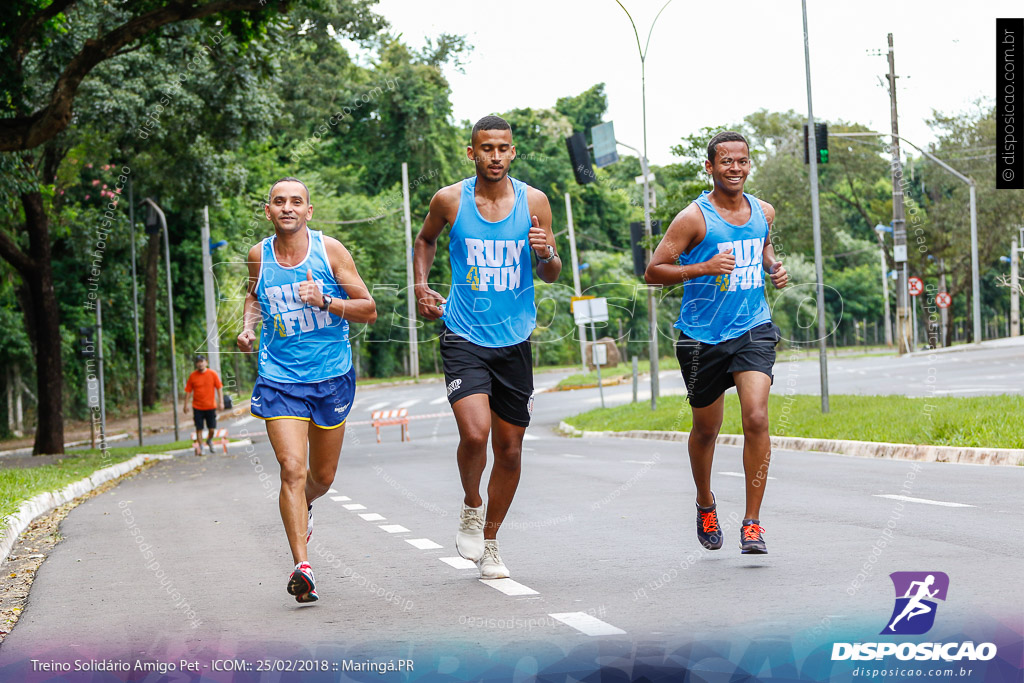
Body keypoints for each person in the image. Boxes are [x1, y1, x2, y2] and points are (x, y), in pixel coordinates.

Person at [414, 115, 561, 579]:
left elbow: (552, 272)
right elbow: (425, 240)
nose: (494, 156)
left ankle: (491, 542)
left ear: (513, 152)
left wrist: (545, 253)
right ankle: (471, 506)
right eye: (486, 148)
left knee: (511, 450)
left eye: (503, 148)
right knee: (476, 434)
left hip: (515, 340)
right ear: (472, 152)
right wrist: (421, 286)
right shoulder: (450, 200)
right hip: (463, 334)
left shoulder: (534, 202)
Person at [645, 131, 788, 554]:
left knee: (757, 418)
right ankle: (705, 502)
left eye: (742, 161)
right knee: (706, 429)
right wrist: (704, 267)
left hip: (753, 328)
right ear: (710, 167)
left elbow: (763, 246)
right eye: (726, 161)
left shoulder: (763, 211)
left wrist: (772, 267)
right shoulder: (693, 218)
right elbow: (654, 271)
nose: (735, 168)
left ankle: (752, 523)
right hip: (700, 338)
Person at [237, 177, 377, 602]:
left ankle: (306, 505)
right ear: (268, 211)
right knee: (291, 470)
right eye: (279, 202)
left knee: (321, 477)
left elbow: (369, 310)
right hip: (279, 378)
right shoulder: (258, 255)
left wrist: (325, 301)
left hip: (331, 377)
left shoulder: (330, 251)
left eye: (296, 201)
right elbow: (253, 297)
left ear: (308, 211)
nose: (287, 208)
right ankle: (303, 567)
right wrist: (247, 327)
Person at [183, 354, 223, 454]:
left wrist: (221, 402)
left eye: (202, 361)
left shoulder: (212, 374)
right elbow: (188, 391)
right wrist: (185, 405)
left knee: (212, 429)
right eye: (198, 362)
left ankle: (209, 440)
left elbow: (219, 388)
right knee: (199, 428)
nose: (200, 364)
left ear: (206, 362)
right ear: (196, 364)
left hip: (210, 406)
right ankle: (201, 447)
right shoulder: (193, 376)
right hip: (197, 407)